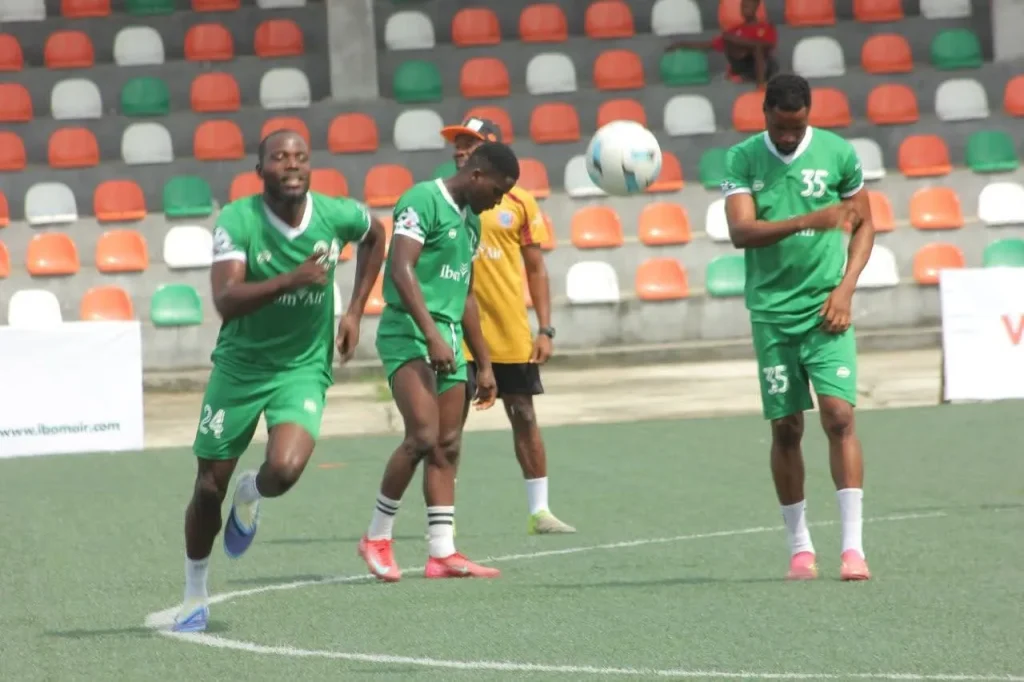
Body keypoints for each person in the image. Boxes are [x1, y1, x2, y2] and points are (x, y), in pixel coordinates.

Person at [172, 130, 387, 632]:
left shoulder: (336, 214)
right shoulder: (238, 219)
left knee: (285, 470)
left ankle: (251, 493)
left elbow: (376, 235)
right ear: (260, 169)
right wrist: (292, 279)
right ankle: (194, 593)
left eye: (300, 157)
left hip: (301, 367)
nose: (291, 165)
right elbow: (225, 299)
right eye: (279, 157)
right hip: (240, 367)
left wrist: (354, 310)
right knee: (207, 488)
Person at [721, 74, 875, 582]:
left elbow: (864, 224)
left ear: (809, 116)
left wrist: (845, 290)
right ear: (765, 113)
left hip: (825, 308)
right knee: (787, 427)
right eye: (781, 127)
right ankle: (800, 546)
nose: (789, 136)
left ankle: (853, 549)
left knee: (838, 416)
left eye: (798, 127)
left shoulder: (839, 153)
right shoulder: (742, 158)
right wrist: (813, 220)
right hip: (771, 314)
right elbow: (741, 231)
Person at [358, 141, 520, 581]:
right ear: (477, 176)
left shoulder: (472, 222)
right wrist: (431, 335)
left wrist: (484, 364)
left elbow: (465, 293)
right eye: (498, 192)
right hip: (408, 333)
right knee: (423, 436)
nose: (498, 203)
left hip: (448, 340)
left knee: (448, 443)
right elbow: (401, 269)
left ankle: (442, 552)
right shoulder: (421, 199)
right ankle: (376, 537)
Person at [439, 116, 575, 535]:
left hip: (508, 330)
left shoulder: (520, 203)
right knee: (449, 427)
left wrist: (545, 328)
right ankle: (444, 516)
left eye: (470, 143)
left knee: (523, 415)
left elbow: (536, 268)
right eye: (457, 143)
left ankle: (540, 511)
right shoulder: (445, 199)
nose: (460, 150)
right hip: (458, 332)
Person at [665, 0, 778, 87]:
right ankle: (742, 77)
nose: (745, 9)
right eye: (743, 6)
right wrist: (681, 44)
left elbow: (765, 46)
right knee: (729, 40)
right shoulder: (734, 31)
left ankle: (760, 83)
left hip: (764, 66)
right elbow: (707, 45)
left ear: (756, 6)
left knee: (757, 48)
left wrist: (737, 41)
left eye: (748, 6)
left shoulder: (766, 27)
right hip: (741, 64)